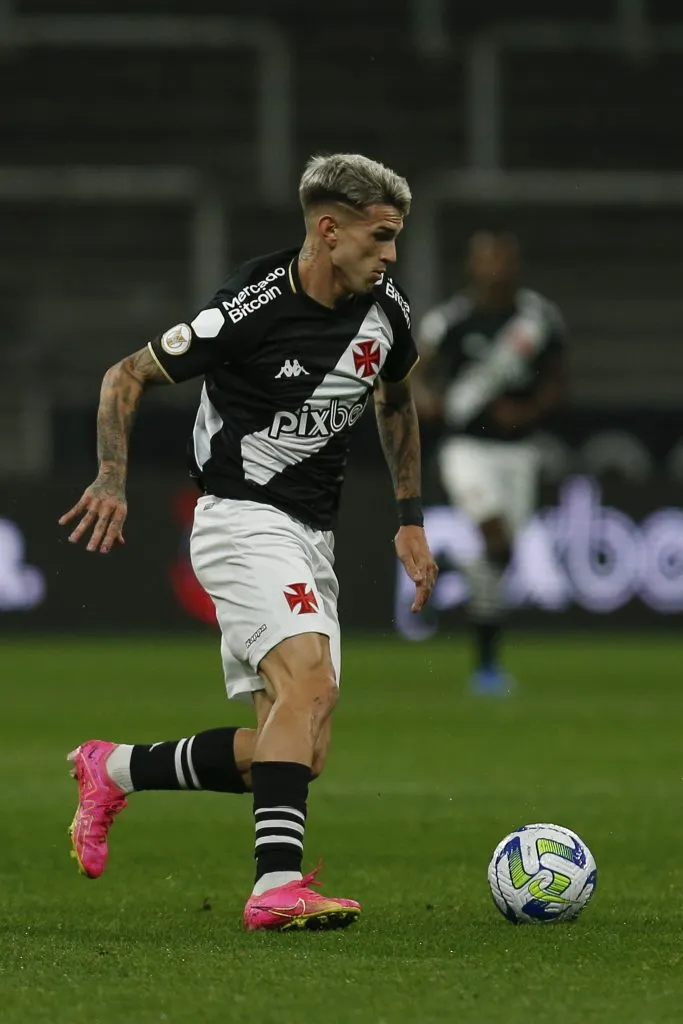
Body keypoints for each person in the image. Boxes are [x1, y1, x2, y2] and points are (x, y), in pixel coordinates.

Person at [59, 153, 438, 932]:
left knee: (296, 748)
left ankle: (113, 767)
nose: (391, 254)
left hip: (311, 535)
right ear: (327, 231)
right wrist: (111, 477)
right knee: (311, 684)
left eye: (395, 237)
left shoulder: (388, 311)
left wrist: (409, 515)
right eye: (380, 236)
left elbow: (395, 400)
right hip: (240, 518)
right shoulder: (249, 307)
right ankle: (276, 885)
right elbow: (125, 375)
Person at [413, 228, 568, 695]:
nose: (496, 267)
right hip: (467, 449)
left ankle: (484, 661)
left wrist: (528, 411)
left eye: (503, 258)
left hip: (519, 451)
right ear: (472, 265)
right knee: (494, 533)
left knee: (500, 556)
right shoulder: (451, 320)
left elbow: (558, 381)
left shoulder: (538, 318)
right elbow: (415, 374)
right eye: (487, 258)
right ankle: (482, 656)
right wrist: (428, 401)